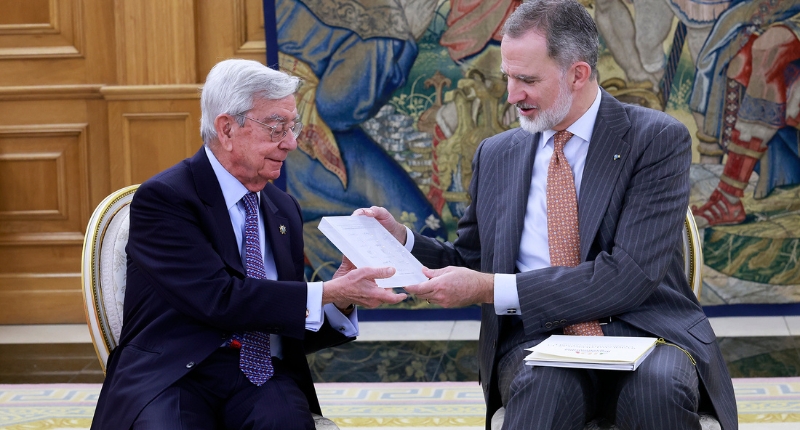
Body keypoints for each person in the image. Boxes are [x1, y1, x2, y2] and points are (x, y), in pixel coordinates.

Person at [357, 1, 738, 429]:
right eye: (508, 77)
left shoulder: (655, 139)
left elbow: (628, 275)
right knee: (543, 389)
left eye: (527, 80)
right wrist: (403, 240)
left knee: (657, 391)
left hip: (647, 330)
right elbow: (475, 260)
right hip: (539, 337)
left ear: (577, 74)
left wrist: (489, 288)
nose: (512, 95)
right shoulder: (496, 153)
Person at [90, 59, 406, 430]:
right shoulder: (166, 198)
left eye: (293, 126)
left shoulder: (282, 208)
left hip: (261, 374)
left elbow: (281, 319)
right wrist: (321, 293)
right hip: (175, 373)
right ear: (226, 129)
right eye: (276, 127)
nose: (291, 143)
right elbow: (218, 299)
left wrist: (340, 297)